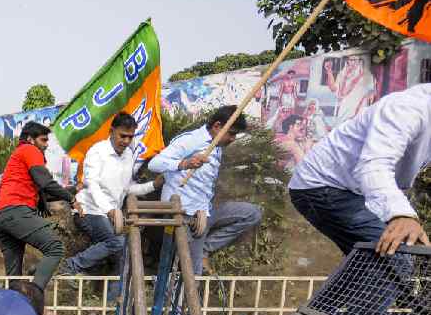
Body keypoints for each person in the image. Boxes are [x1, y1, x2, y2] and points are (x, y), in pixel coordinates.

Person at [289, 83, 431, 256]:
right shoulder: (406, 107)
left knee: (388, 261)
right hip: (324, 184)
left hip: (361, 192)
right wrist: (402, 215)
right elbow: (375, 165)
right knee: (395, 255)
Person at [149, 106, 263, 275]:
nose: (233, 138)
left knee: (252, 213)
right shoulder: (191, 140)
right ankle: (179, 299)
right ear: (217, 126)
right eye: (231, 133)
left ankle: (206, 248)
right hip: (184, 214)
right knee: (193, 274)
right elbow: (155, 164)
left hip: (204, 212)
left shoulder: (217, 145)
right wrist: (184, 164)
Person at [61, 113, 163, 300]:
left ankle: (112, 303)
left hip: (111, 215)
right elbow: (92, 184)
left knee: (125, 253)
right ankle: (71, 265)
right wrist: (108, 209)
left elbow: (128, 188)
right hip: (89, 210)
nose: (125, 141)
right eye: (122, 136)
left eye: (130, 137)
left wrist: (153, 185)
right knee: (117, 242)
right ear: (111, 132)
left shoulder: (128, 155)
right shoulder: (97, 151)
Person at [0, 121, 74, 289]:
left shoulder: (18, 154)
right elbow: (46, 182)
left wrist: (71, 191)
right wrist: (71, 199)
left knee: (13, 277)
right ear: (30, 139)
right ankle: (34, 296)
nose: (45, 145)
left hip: (2, 215)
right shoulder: (30, 150)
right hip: (16, 211)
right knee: (55, 247)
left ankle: (11, 308)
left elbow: (43, 189)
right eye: (43, 140)